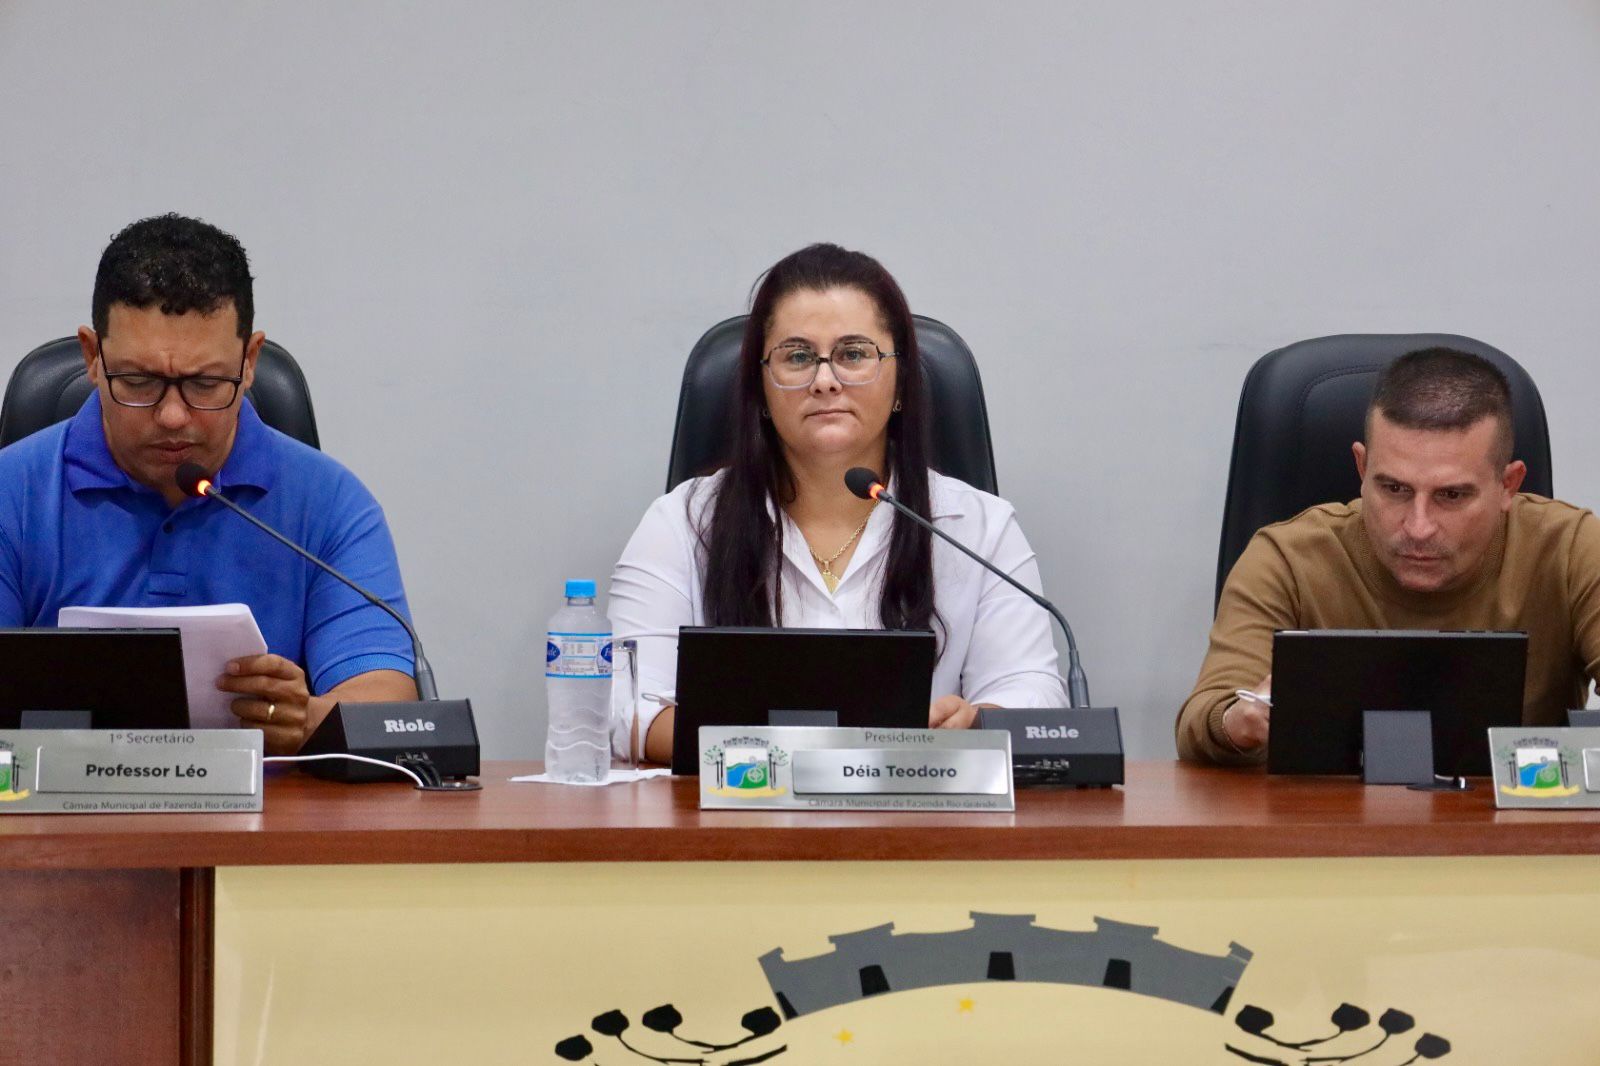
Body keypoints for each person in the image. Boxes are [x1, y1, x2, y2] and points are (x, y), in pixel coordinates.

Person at [610, 242, 1067, 763]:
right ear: (760, 389)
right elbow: (625, 709)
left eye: (853, 354)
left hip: (919, 807)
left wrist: (974, 724)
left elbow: (1033, 696)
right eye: (798, 357)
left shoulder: (979, 528)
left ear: (901, 382)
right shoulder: (682, 524)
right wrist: (810, 756)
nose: (825, 381)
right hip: (736, 808)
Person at [0, 213, 419, 753]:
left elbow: (386, 700)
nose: (173, 416)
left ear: (249, 361)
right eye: (139, 380)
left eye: (204, 383)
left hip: (267, 805)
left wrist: (309, 719)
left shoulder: (330, 503)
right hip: (46, 803)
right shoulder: (12, 493)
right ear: (92, 358)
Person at [1179, 347, 1600, 765]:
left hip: (1522, 805)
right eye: (1395, 489)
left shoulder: (1571, 549)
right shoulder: (1287, 559)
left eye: (1451, 495)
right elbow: (1204, 718)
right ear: (1362, 469)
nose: (1418, 528)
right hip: (1324, 808)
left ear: (1508, 485)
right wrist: (1239, 721)